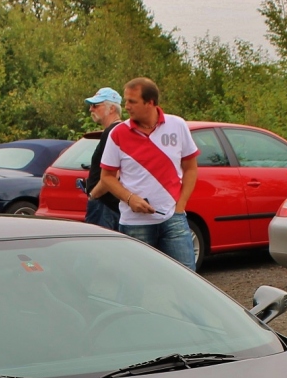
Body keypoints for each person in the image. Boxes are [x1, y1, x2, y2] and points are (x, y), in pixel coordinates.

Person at [98, 78, 199, 269]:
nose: (126, 106)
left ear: (150, 102)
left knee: (188, 279)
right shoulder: (118, 133)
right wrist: (129, 199)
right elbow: (107, 177)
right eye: (126, 101)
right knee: (136, 283)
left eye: (132, 101)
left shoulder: (177, 125)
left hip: (173, 218)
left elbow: (191, 168)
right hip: (135, 223)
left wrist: (181, 206)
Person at [82, 87, 123, 231]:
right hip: (113, 205)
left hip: (105, 205)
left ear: (111, 108)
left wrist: (93, 195)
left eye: (95, 105)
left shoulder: (111, 133)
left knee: (97, 250)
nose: (91, 109)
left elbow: (114, 173)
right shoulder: (119, 130)